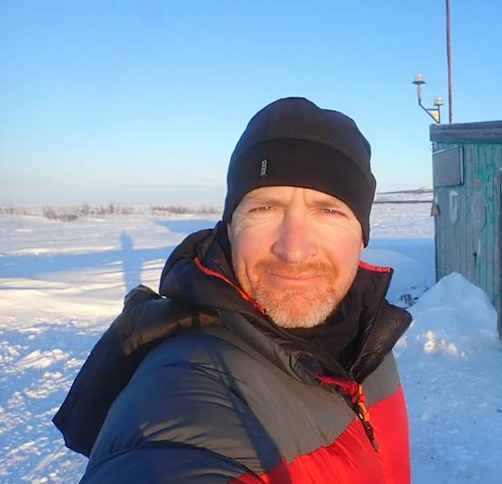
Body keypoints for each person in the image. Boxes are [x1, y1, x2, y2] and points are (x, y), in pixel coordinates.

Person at [53, 97, 413, 483]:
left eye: (328, 211)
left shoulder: (366, 345)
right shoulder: (181, 388)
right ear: (230, 228)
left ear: (362, 236)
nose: (293, 249)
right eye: (264, 208)